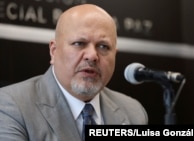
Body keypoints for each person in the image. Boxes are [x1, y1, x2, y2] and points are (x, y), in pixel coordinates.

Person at [0, 4, 148, 141]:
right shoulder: (11, 106)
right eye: (79, 43)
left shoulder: (133, 112)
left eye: (103, 46)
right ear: (54, 51)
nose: (92, 55)